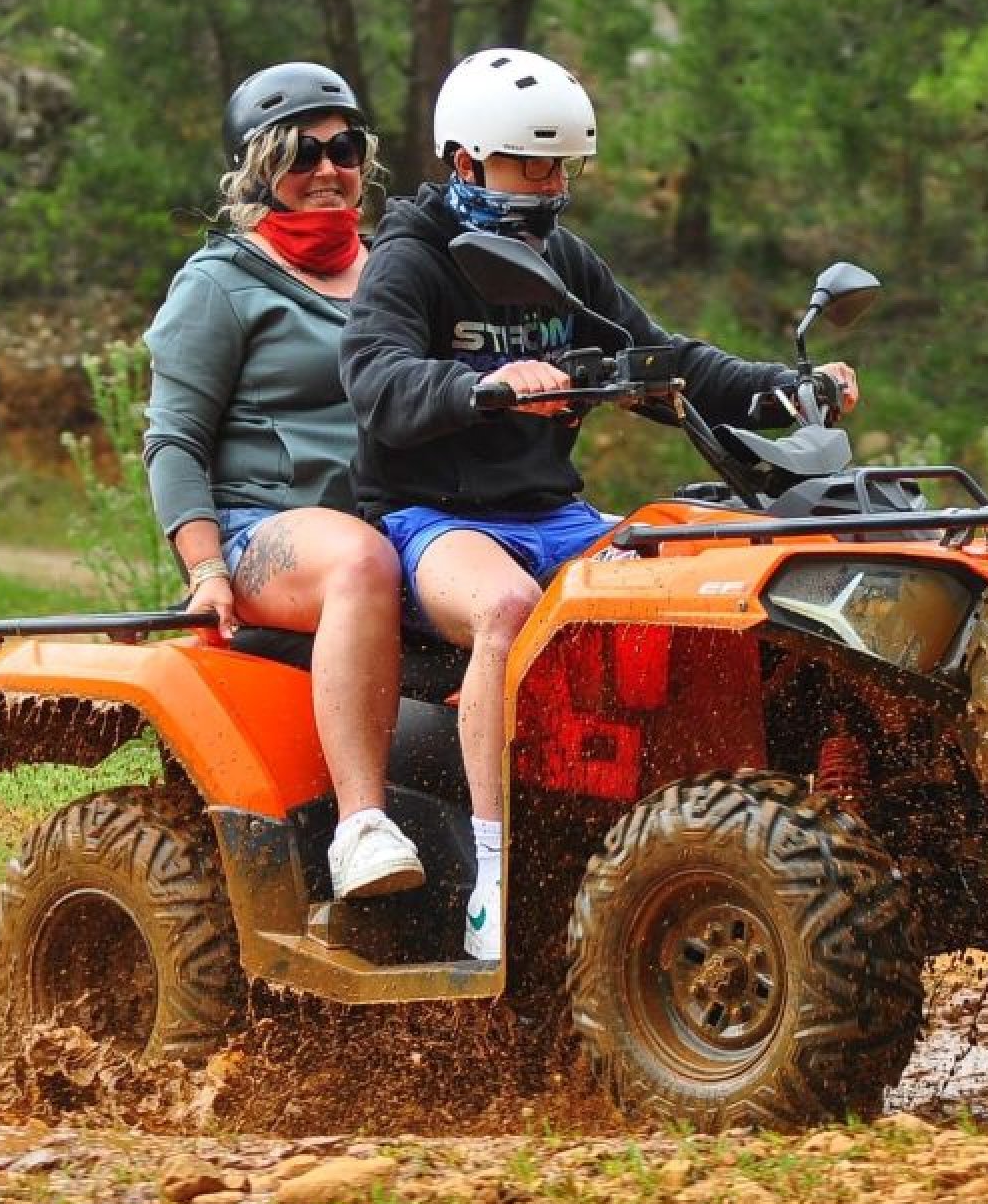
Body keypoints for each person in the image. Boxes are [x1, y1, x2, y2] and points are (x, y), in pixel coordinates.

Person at [339, 48, 860, 960]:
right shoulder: (410, 258)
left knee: (697, 593)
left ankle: (720, 845)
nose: (552, 187)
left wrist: (782, 389)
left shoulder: (562, 259)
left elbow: (663, 357)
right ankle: (492, 880)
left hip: (556, 514)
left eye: (561, 169)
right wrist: (488, 388)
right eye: (531, 167)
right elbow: (377, 380)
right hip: (433, 519)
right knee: (508, 609)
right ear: (466, 162)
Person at [141, 62, 424, 900]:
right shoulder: (219, 284)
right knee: (361, 560)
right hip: (263, 530)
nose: (328, 169)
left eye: (345, 148)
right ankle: (362, 828)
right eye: (302, 152)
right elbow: (173, 441)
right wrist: (205, 569)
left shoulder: (398, 271)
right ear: (260, 168)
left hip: (401, 518)